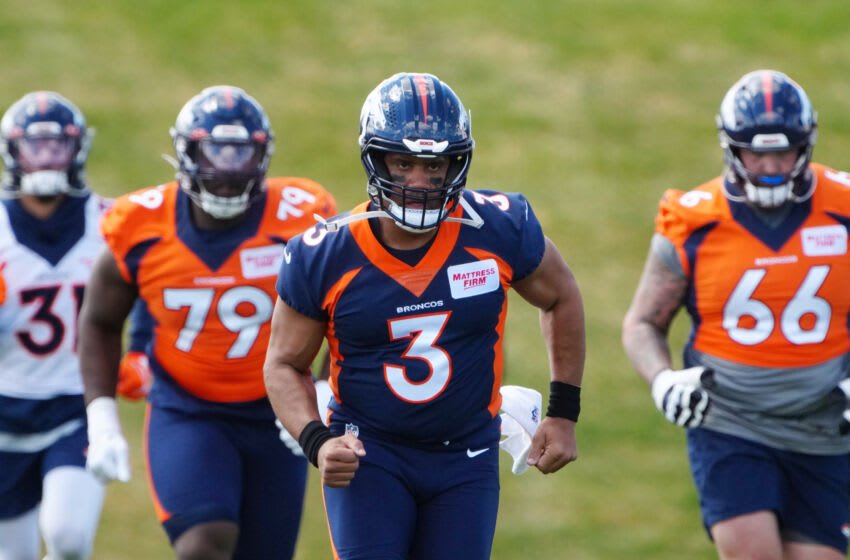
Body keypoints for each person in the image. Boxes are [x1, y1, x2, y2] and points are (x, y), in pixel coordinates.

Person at [263, 72, 586, 559]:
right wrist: (317, 441)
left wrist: (563, 414)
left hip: (466, 457)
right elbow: (284, 364)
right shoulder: (324, 254)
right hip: (370, 453)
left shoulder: (497, 227)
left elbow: (561, 296)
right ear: (375, 159)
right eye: (403, 162)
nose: (420, 181)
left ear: (458, 162)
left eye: (436, 166)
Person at [77, 85, 337, 560]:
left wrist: (321, 390)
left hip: (278, 411)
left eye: (241, 155)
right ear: (185, 153)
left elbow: (344, 311)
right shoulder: (140, 224)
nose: (226, 172)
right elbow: (98, 319)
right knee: (204, 545)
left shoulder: (300, 217)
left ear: (262, 156)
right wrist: (100, 416)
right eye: (214, 153)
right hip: (187, 409)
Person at [622, 69, 850, 560]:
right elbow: (643, 322)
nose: (769, 165)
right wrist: (663, 380)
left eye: (782, 152)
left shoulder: (844, 208)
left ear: (805, 146)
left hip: (825, 423)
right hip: (731, 418)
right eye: (756, 152)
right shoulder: (694, 219)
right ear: (731, 148)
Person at [0, 92, 107, 559]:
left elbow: (150, 296)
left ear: (77, 149)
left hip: (75, 409)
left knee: (68, 538)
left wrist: (143, 351)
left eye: (56, 146)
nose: (46, 158)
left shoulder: (111, 221)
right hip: (4, 413)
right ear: (13, 152)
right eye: (35, 146)